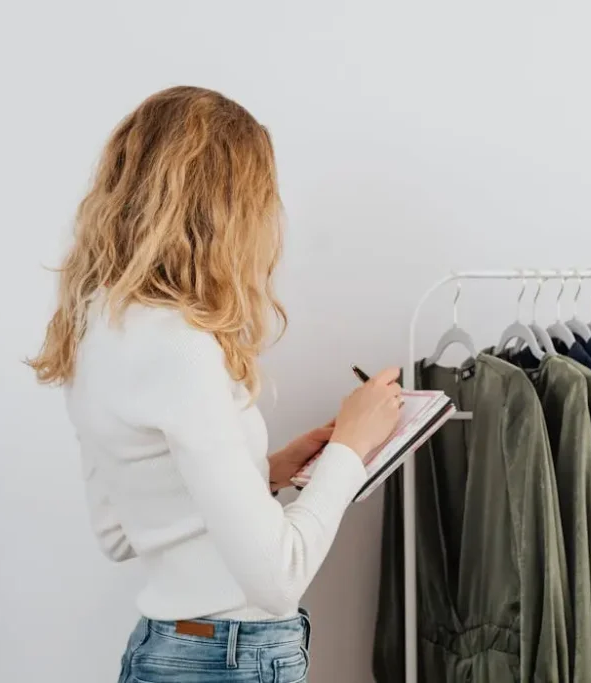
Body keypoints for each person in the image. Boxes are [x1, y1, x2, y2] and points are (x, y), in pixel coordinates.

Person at [29, 86, 401, 683]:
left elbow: (122, 531)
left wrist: (273, 468)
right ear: (229, 210)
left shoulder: (93, 326)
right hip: (227, 660)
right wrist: (349, 451)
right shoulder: (181, 346)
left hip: (164, 653)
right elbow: (279, 579)